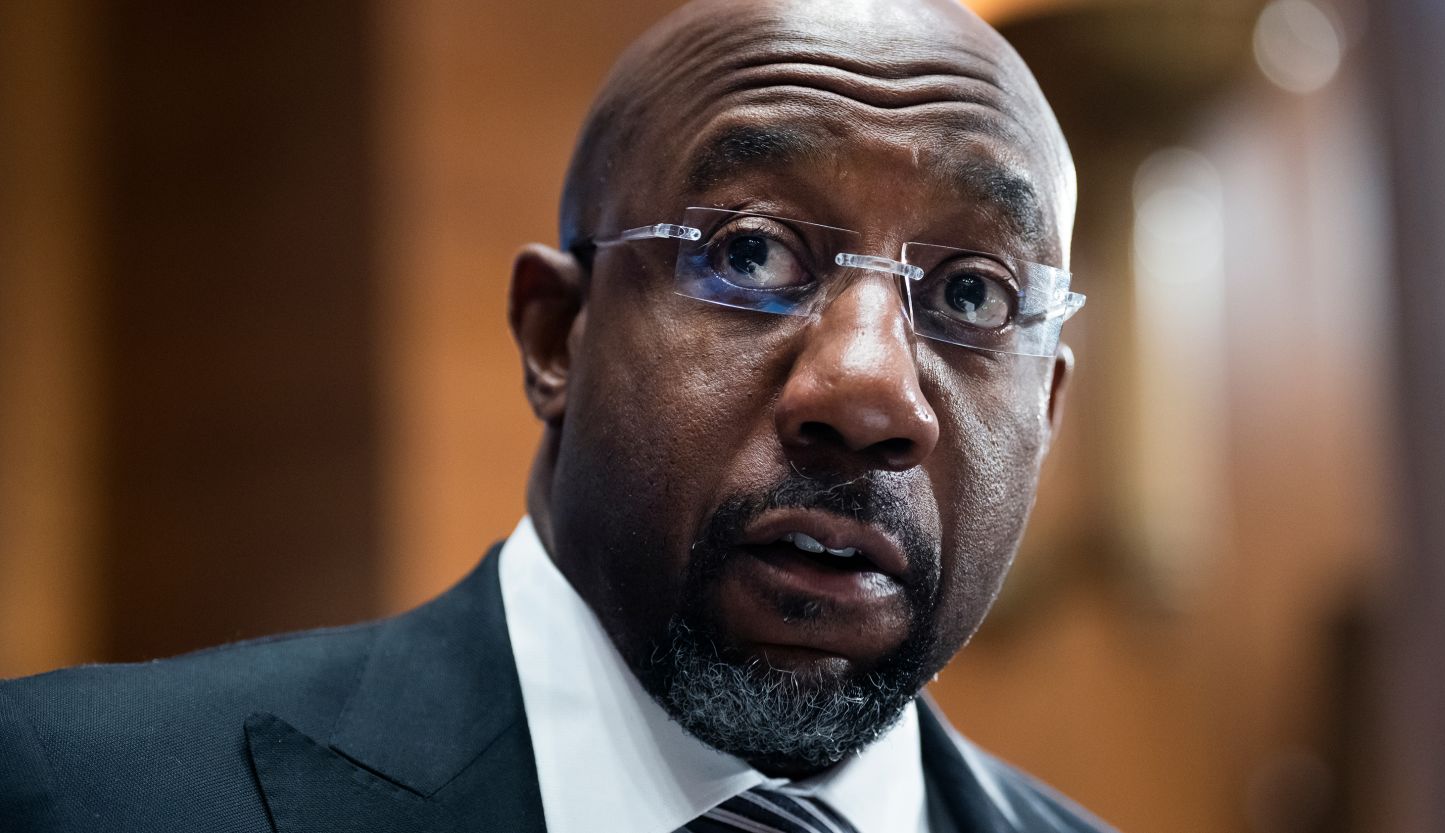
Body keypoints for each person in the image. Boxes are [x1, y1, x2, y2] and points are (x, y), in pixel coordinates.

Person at [0, 0, 1108, 830]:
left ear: (1047, 411)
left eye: (972, 293)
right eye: (752, 252)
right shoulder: (71, 787)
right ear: (554, 336)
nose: (869, 392)